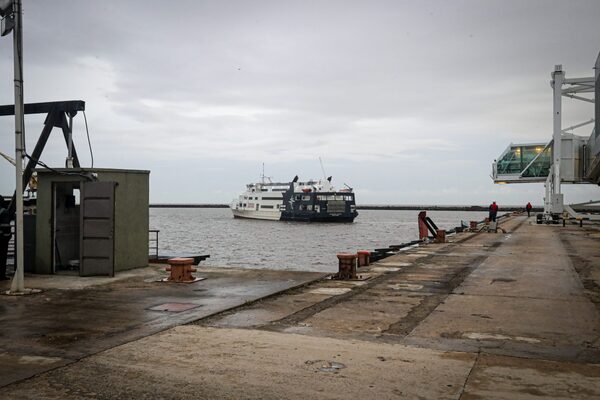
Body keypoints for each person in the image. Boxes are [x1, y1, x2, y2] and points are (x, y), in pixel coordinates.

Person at [0, 197, 12, 280]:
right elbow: (6, 226)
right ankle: (1, 275)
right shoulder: (4, 211)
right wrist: (8, 236)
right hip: (2, 239)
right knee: (2, 257)